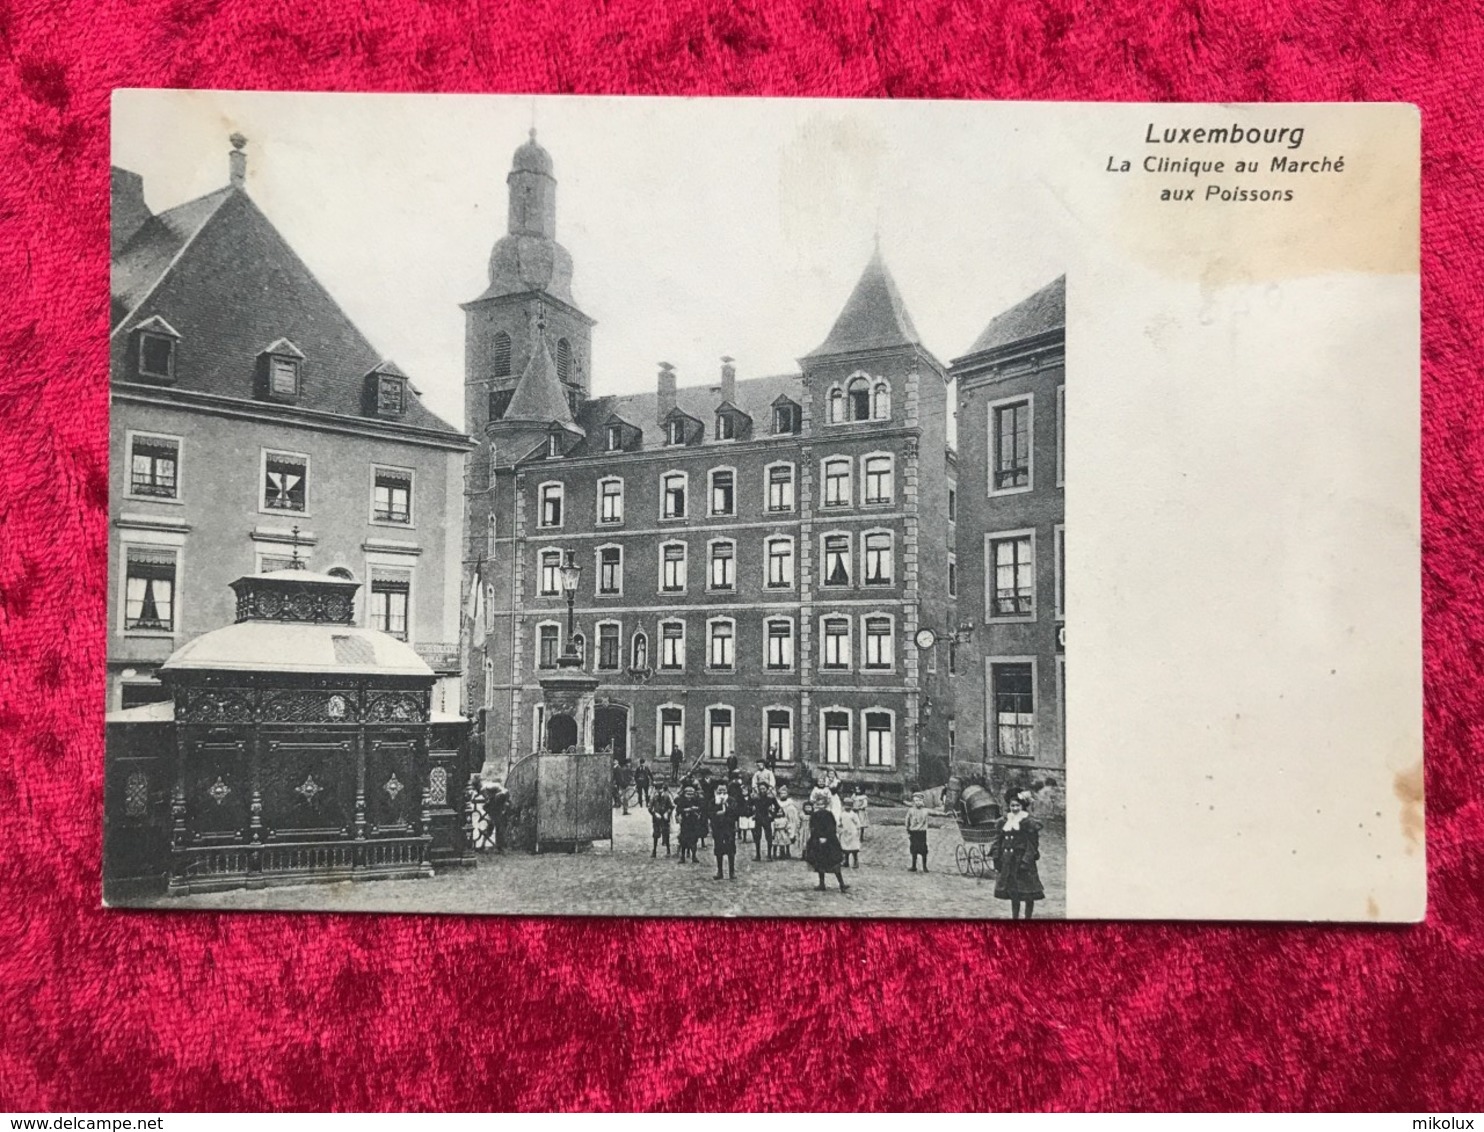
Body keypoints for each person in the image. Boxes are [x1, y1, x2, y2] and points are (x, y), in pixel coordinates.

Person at [991, 792, 1046, 919]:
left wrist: (1026, 861)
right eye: (1012, 806)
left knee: (1028, 892)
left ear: (1022, 807)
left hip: (1022, 863)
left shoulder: (1028, 822)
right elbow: (997, 840)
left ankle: (1028, 918)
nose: (1014, 808)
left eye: (1017, 806)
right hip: (1009, 862)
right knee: (1013, 891)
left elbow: (1032, 845)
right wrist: (996, 856)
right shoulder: (1004, 821)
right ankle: (1015, 917)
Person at [804, 787, 848, 892]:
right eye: (817, 804)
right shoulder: (814, 815)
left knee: (834, 862)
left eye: (822, 804)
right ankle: (822, 883)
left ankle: (841, 884)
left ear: (825, 804)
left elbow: (832, 827)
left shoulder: (829, 815)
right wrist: (818, 837)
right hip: (817, 842)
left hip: (830, 842)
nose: (820, 806)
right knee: (819, 863)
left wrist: (826, 837)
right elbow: (813, 828)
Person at [710, 785, 740, 880]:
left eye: (724, 790)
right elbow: (709, 812)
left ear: (727, 791)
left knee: (731, 850)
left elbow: (736, 812)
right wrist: (716, 813)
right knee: (719, 850)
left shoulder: (731, 800)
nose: (722, 792)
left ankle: (731, 872)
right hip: (718, 828)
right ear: (717, 791)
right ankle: (720, 872)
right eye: (720, 790)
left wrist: (726, 809)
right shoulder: (713, 801)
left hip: (729, 828)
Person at [676, 785, 704, 863]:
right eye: (688, 794)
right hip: (685, 822)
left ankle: (694, 856)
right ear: (684, 794)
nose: (690, 796)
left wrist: (696, 808)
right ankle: (682, 856)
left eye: (691, 794)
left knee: (694, 839)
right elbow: (678, 809)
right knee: (683, 840)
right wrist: (685, 810)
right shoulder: (681, 801)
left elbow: (701, 807)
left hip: (693, 822)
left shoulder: (696, 800)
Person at [752, 784, 780, 861]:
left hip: (766, 818)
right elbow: (749, 805)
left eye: (764, 789)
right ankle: (758, 855)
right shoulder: (755, 798)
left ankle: (769, 855)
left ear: (767, 789)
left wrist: (772, 816)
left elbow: (777, 807)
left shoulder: (770, 798)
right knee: (757, 837)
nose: (762, 790)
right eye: (760, 789)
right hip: (758, 818)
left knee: (769, 837)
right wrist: (753, 813)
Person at [906, 792, 931, 872]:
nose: (917, 802)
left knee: (923, 850)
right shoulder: (910, 810)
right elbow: (907, 820)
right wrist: (908, 829)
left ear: (922, 801)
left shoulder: (925, 811)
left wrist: (945, 814)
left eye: (919, 800)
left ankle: (925, 867)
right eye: (916, 800)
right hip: (913, 833)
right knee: (914, 850)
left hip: (922, 833)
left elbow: (936, 813)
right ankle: (913, 866)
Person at [775, 785, 800, 860]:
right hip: (780, 822)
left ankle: (788, 851)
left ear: (787, 794)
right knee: (780, 838)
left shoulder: (790, 803)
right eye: (781, 793)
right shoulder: (778, 803)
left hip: (789, 822)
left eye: (784, 793)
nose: (783, 795)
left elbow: (794, 814)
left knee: (788, 837)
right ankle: (782, 852)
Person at [650, 782, 674, 858]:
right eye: (657, 790)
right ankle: (654, 851)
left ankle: (668, 850)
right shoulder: (653, 797)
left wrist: (667, 813)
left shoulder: (667, 796)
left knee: (666, 833)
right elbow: (650, 808)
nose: (659, 792)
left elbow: (671, 807)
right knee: (656, 834)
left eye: (661, 790)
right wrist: (654, 813)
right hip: (656, 819)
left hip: (664, 818)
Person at [838, 803, 862, 868]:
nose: (847, 807)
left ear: (851, 807)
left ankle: (856, 862)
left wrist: (857, 831)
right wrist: (840, 827)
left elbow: (858, 823)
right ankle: (846, 861)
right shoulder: (842, 814)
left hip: (853, 832)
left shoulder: (854, 815)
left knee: (854, 847)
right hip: (845, 832)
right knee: (845, 848)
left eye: (848, 806)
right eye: (845, 806)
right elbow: (840, 822)